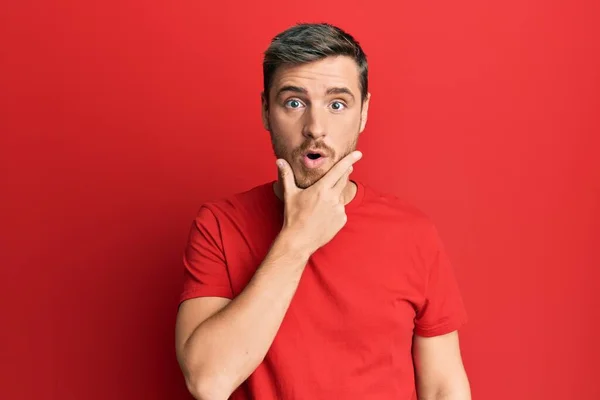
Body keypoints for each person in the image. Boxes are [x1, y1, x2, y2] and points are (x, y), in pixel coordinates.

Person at [175, 23, 471, 400]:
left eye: (337, 104)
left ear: (363, 113)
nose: (315, 128)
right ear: (266, 111)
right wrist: (297, 240)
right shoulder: (219, 225)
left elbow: (445, 387)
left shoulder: (413, 231)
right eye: (294, 102)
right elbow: (207, 381)